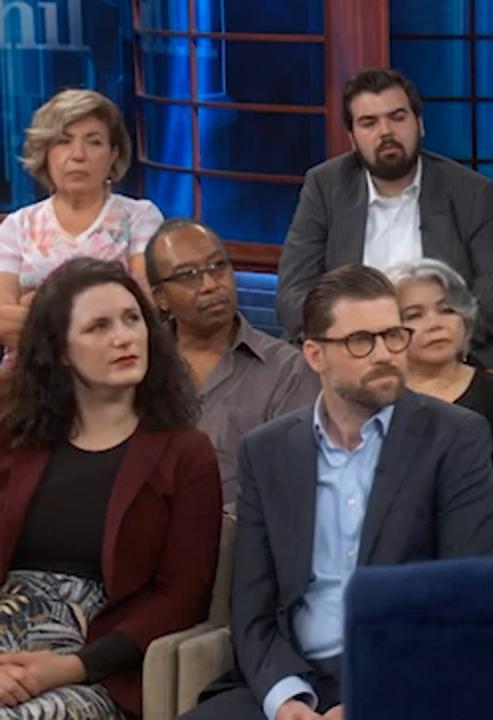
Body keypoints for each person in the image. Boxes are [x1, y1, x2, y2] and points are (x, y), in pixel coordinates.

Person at [182, 264, 493, 720]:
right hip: (297, 677)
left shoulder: (455, 438)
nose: (385, 354)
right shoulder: (266, 451)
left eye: (393, 335)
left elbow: (467, 601)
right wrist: (286, 699)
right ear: (315, 355)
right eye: (361, 341)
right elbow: (252, 613)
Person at [0, 257, 221, 718]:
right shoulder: (14, 437)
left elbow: (182, 597)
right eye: (98, 327)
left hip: (96, 664)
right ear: (60, 349)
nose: (123, 337)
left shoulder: (186, 453)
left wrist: (72, 666)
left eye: (131, 319)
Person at [275, 67, 493, 369]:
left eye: (397, 117)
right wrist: (352, 343)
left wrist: (439, 340)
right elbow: (293, 292)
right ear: (352, 138)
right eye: (369, 123)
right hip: (356, 354)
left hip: (449, 354)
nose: (386, 132)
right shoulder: (325, 187)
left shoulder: (470, 191)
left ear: (419, 124)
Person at [145, 218, 319, 507]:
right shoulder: (139, 366)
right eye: (188, 275)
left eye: (218, 266)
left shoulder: (288, 370)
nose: (210, 285)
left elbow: (290, 483)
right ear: (160, 297)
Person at [0, 89, 163, 368]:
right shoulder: (17, 226)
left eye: (94, 142)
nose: (78, 155)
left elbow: (144, 307)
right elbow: (3, 320)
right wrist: (95, 320)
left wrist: (36, 307)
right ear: (45, 153)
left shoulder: (139, 217)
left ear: (113, 155)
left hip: (116, 366)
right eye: (63, 141)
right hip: (30, 372)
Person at [387, 258, 493, 517]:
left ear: (464, 319)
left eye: (447, 310)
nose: (435, 324)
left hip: (473, 528)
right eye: (414, 315)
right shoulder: (377, 396)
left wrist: (449, 523)